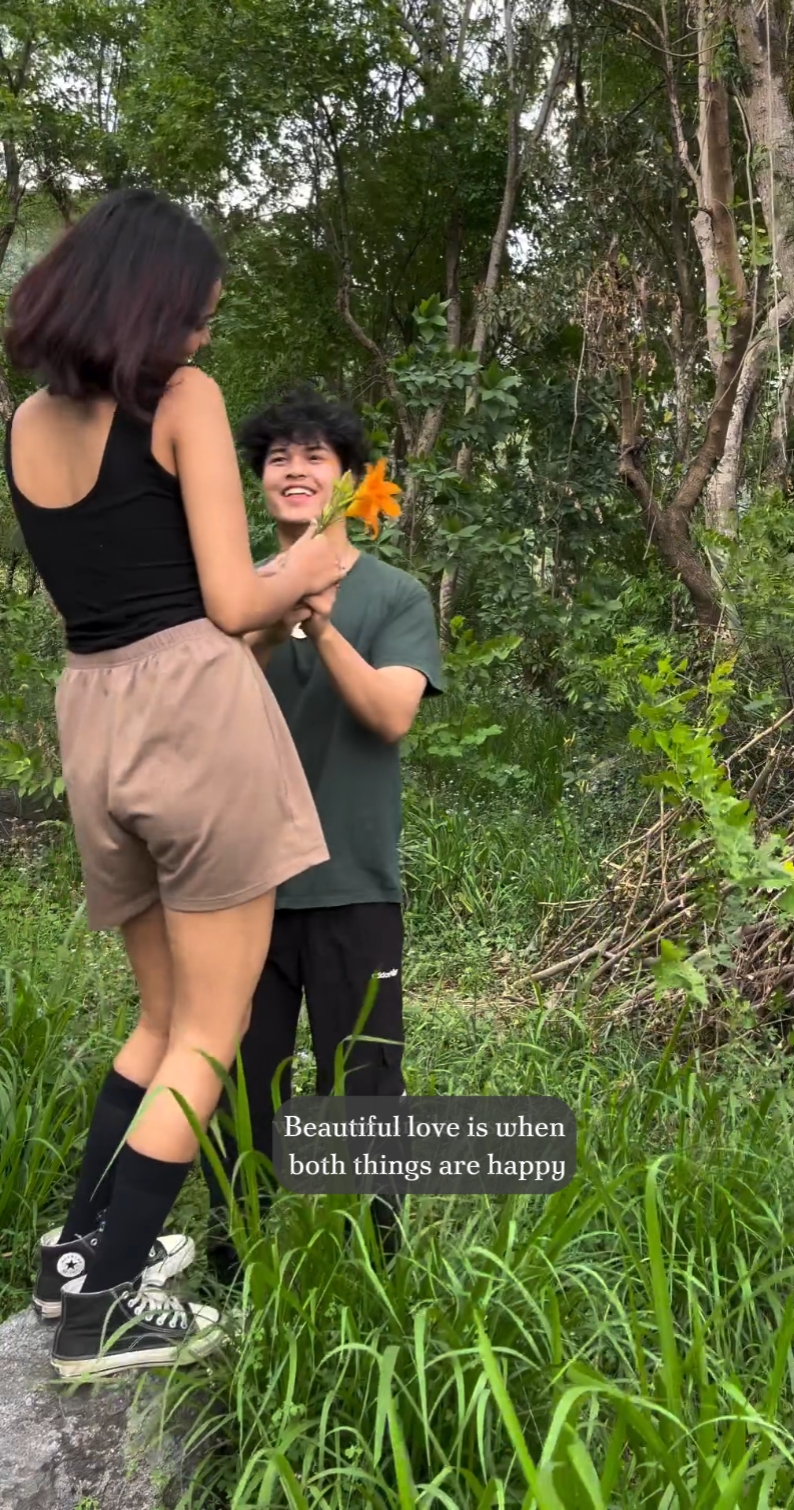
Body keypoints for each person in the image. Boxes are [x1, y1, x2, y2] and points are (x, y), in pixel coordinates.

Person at [2, 190, 345, 1378]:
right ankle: (104, 1310)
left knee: (157, 1019)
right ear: (150, 305)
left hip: (95, 717)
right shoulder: (182, 399)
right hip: (196, 718)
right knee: (212, 1030)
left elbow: (131, 590)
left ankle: (76, 1258)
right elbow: (229, 603)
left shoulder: (25, 423)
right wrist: (314, 558)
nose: (202, 336)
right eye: (197, 312)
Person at [202, 389, 442, 1279]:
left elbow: (391, 714)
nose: (294, 470)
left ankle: (374, 1270)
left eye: (314, 456)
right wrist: (271, 617)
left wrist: (322, 622)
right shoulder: (230, 592)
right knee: (240, 1085)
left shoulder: (395, 595)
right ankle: (234, 1270)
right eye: (277, 458)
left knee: (367, 1084)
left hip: (354, 884)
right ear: (260, 481)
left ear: (348, 480)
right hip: (243, 884)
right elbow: (202, 714)